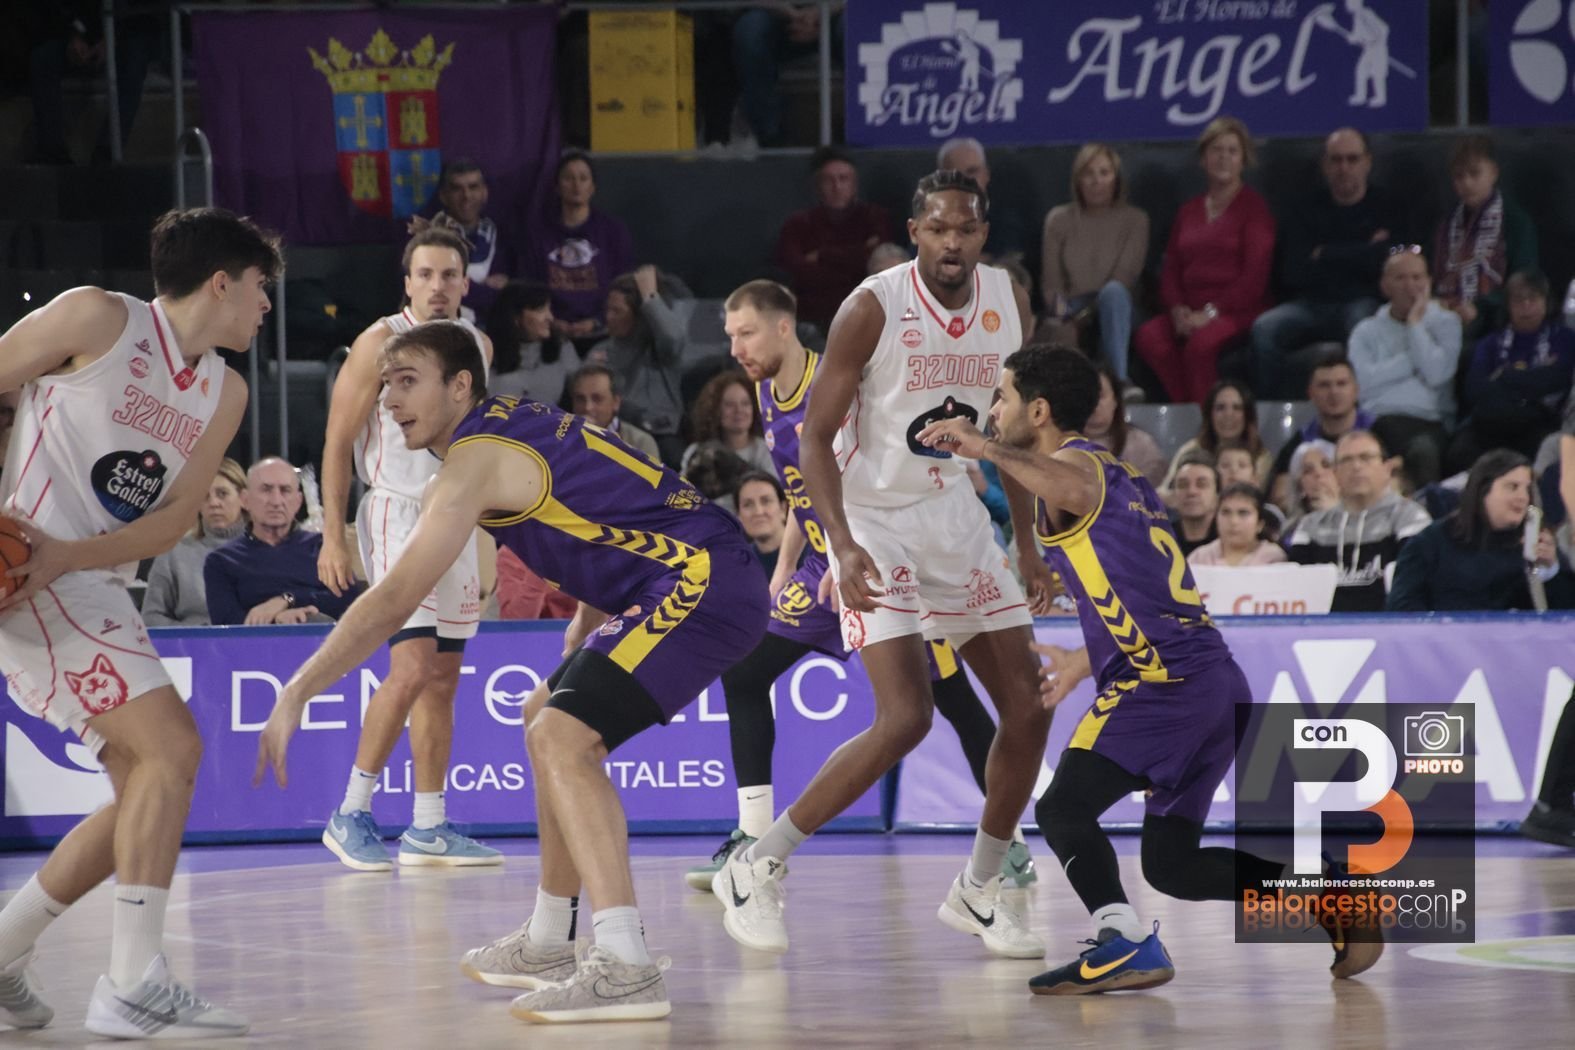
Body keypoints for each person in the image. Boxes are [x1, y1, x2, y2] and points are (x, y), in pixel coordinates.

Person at [255, 320, 770, 1023]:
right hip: (683, 573)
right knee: (540, 716)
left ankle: (626, 964)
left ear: (459, 385)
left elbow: (394, 600)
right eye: (384, 385)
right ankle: (550, 938)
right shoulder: (513, 421)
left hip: (703, 581)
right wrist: (587, 619)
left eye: (407, 382)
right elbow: (608, 502)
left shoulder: (471, 462)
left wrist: (297, 690)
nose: (389, 400)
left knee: (563, 735)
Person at [914, 344, 1378, 994]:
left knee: (1062, 810)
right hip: (1211, 680)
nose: (992, 410)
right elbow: (1139, 592)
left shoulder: (1077, 469)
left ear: (1039, 411)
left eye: (1004, 397)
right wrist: (1083, 661)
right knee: (1171, 866)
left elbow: (1064, 484)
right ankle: (1328, 896)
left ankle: (1123, 940)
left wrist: (981, 448)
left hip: (1165, 686)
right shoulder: (1119, 474)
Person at [716, 170, 1052, 960]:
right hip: (871, 520)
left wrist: (1027, 541)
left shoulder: (1008, 299)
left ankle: (978, 887)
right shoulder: (871, 306)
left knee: (1029, 707)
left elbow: (1012, 432)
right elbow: (813, 437)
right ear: (914, 232)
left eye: (965, 229)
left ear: (983, 234)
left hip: (953, 516)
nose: (951, 243)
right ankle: (756, 866)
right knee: (907, 717)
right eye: (937, 229)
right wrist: (840, 543)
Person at [0, 206, 279, 1038]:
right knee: (174, 749)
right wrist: (41, 551)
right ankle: (131, 984)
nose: (267, 306)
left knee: (141, 796)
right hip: (24, 573)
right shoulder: (97, 318)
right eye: (260, 287)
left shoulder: (225, 391)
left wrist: (72, 558)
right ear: (222, 283)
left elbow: (171, 524)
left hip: (85, 577)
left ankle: (5, 947)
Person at [686, 279, 1038, 893]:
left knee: (948, 701)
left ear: (783, 327)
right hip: (827, 561)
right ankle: (751, 835)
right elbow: (801, 489)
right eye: (731, 335)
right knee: (743, 673)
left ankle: (1008, 845)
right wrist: (785, 569)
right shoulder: (766, 387)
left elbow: (877, 476)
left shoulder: (836, 382)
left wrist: (849, 544)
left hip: (878, 554)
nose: (736, 348)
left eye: (746, 333)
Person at [314, 226, 499, 872]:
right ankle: (351, 811)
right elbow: (337, 441)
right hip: (396, 512)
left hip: (456, 518)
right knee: (412, 667)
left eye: (449, 275)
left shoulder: (477, 345)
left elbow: (476, 443)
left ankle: (428, 825)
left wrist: (489, 530)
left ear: (465, 283)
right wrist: (332, 534)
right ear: (407, 282)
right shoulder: (378, 343)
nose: (437, 286)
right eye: (426, 274)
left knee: (443, 678)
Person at [1250, 128, 1403, 398]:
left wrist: (1325, 253)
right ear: (1325, 164)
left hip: (1361, 300)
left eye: (1352, 159)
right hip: (1311, 304)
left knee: (1363, 324)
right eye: (1336, 160)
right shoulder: (1303, 208)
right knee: (1265, 328)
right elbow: (1294, 272)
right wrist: (1365, 251)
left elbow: (1392, 262)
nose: (1344, 168)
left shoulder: (1387, 206)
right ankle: (1272, 411)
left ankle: (1360, 408)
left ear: (1367, 162)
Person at [1133, 117, 1275, 404]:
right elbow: (1171, 267)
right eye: (1216, 150)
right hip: (1188, 309)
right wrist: (1177, 310)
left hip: (1235, 310)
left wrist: (1210, 313)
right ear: (1203, 158)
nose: (1223, 158)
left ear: (1243, 159)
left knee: (1201, 344)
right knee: (1150, 336)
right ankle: (1187, 410)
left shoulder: (1254, 208)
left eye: (1232, 151)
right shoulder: (1188, 210)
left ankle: (1206, 416)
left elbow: (1253, 279)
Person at [1388, 450, 1572, 611]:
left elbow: (1566, 618)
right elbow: (1402, 606)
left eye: (1527, 489)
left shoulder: (1538, 546)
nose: (1523, 497)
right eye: (1512, 487)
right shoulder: (1431, 542)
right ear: (1483, 490)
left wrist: (1551, 571)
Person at [1348, 248, 1460, 491]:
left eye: (1417, 277)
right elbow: (1362, 385)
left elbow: (1437, 374)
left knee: (1423, 453)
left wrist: (1414, 324)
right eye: (1400, 278)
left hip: (1428, 421)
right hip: (1377, 420)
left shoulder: (1447, 323)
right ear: (1385, 286)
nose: (1410, 286)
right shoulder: (1365, 331)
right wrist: (1417, 360)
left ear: (1429, 282)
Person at [203, 457, 362, 625]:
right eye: (266, 490)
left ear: (298, 501)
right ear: (245, 500)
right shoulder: (221, 561)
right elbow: (226, 623)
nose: (276, 501)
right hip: (256, 641)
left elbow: (350, 600)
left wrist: (288, 600)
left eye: (285, 490)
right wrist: (278, 621)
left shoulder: (323, 548)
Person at [1039, 143, 1149, 387]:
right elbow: (1052, 284)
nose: (1096, 181)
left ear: (1116, 179)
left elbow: (1125, 276)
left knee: (1113, 293)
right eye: (1088, 174)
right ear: (1078, 180)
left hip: (1120, 306)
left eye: (1104, 173)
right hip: (1072, 306)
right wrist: (1065, 315)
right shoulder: (1058, 219)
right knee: (1054, 326)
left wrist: (1085, 317)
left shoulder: (1135, 220)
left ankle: (1118, 382)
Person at [1287, 430, 1431, 611]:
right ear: (1335, 472)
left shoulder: (1411, 517)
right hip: (1324, 626)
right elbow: (1297, 592)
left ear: (1387, 468)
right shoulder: (1310, 526)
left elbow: (1415, 589)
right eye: (1346, 460)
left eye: (1366, 458)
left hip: (1391, 624)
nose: (1356, 466)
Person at [1449, 270, 1575, 471]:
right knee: (1459, 451)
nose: (1526, 306)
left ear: (1546, 302)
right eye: (1518, 300)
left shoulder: (1565, 339)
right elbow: (1475, 388)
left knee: (1546, 450)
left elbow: (1558, 379)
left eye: (1533, 298)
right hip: (1492, 421)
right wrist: (1530, 383)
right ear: (1508, 305)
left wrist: (1505, 375)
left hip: (1540, 422)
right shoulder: (1490, 343)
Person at [775, 147, 892, 333]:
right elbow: (799, 273)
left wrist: (823, 256)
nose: (837, 187)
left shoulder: (874, 218)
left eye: (843, 179)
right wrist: (855, 257)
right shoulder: (797, 225)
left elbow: (880, 266)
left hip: (867, 317)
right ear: (817, 185)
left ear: (855, 185)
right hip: (814, 317)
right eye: (828, 180)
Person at [1432, 136, 1538, 341]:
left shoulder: (1515, 222)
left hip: (1497, 315)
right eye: (1459, 176)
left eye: (1474, 174)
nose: (1467, 183)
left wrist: (1479, 307)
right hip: (1448, 312)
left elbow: (1525, 279)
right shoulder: (1447, 224)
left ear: (1493, 173)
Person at [524, 150, 633, 344]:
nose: (576, 185)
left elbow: (624, 287)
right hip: (550, 334)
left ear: (592, 187)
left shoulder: (613, 231)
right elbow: (528, 287)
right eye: (568, 178)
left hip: (603, 333)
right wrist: (551, 320)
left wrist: (597, 321)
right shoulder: (537, 234)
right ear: (557, 186)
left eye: (583, 178)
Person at [589, 267, 687, 465]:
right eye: (608, 309)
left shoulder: (659, 349)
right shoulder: (600, 351)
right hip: (613, 432)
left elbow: (674, 337)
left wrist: (650, 297)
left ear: (638, 315)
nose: (608, 317)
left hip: (659, 434)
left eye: (617, 311)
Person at [141, 457, 247, 626]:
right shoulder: (174, 552)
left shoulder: (265, 549)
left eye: (222, 494)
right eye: (205, 496)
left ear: (243, 498)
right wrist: (196, 633)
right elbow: (151, 618)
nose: (214, 503)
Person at [1267, 352, 1374, 511]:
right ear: (1310, 393)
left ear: (1356, 390)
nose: (1334, 392)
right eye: (1324, 385)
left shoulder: (1380, 433)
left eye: (1341, 384)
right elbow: (1280, 497)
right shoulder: (1298, 444)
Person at [410, 158, 513, 320]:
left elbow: (505, 296)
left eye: (473, 187)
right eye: (457, 189)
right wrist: (483, 287)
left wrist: (457, 285)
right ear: (444, 196)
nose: (466, 196)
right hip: (439, 324)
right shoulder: (426, 236)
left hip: (491, 325)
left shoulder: (500, 235)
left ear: (484, 193)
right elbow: (430, 290)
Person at [1160, 380, 1271, 494]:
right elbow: (1164, 492)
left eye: (1237, 408)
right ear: (1210, 414)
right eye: (1220, 408)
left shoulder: (1261, 456)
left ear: (1247, 415)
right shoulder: (1192, 449)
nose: (1228, 414)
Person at [485, 281, 581, 406]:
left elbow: (583, 390)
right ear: (515, 317)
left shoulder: (562, 348)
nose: (550, 317)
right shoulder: (486, 351)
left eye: (549, 309)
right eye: (541, 310)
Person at [938, 137, 1027, 260]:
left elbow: (1012, 259)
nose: (966, 180)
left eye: (972, 171)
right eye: (957, 174)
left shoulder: (1006, 220)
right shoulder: (929, 220)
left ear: (986, 174)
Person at [1084, 364, 1166, 487]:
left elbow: (1151, 492)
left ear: (1116, 400)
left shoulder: (1141, 445)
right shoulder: (1059, 442)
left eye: (1100, 396)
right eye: (1085, 396)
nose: (1093, 403)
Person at [680, 371, 773, 476]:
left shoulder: (768, 451)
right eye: (729, 405)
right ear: (714, 410)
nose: (739, 410)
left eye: (745, 403)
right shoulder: (696, 452)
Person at [568, 363, 662, 463]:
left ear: (616, 402)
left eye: (597, 399)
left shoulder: (640, 442)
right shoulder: (562, 439)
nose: (587, 407)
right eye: (580, 399)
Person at [1189, 484, 1288, 566]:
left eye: (1243, 513)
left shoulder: (1273, 558)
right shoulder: (1199, 558)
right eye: (1226, 512)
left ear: (1259, 524)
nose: (1233, 521)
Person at [734, 470, 788, 573]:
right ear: (739, 516)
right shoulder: (738, 566)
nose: (758, 512)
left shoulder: (815, 552)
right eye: (748, 504)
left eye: (766, 501)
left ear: (783, 508)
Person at [1283, 439, 1340, 531]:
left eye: (1326, 465)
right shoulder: (1294, 530)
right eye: (1308, 471)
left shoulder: (1361, 516)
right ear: (1300, 487)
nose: (1319, 473)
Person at [1169, 455, 1220, 557]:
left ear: (1217, 496)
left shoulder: (1229, 539)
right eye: (1183, 485)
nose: (1192, 492)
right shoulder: (1158, 539)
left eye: (1202, 484)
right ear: (1173, 495)